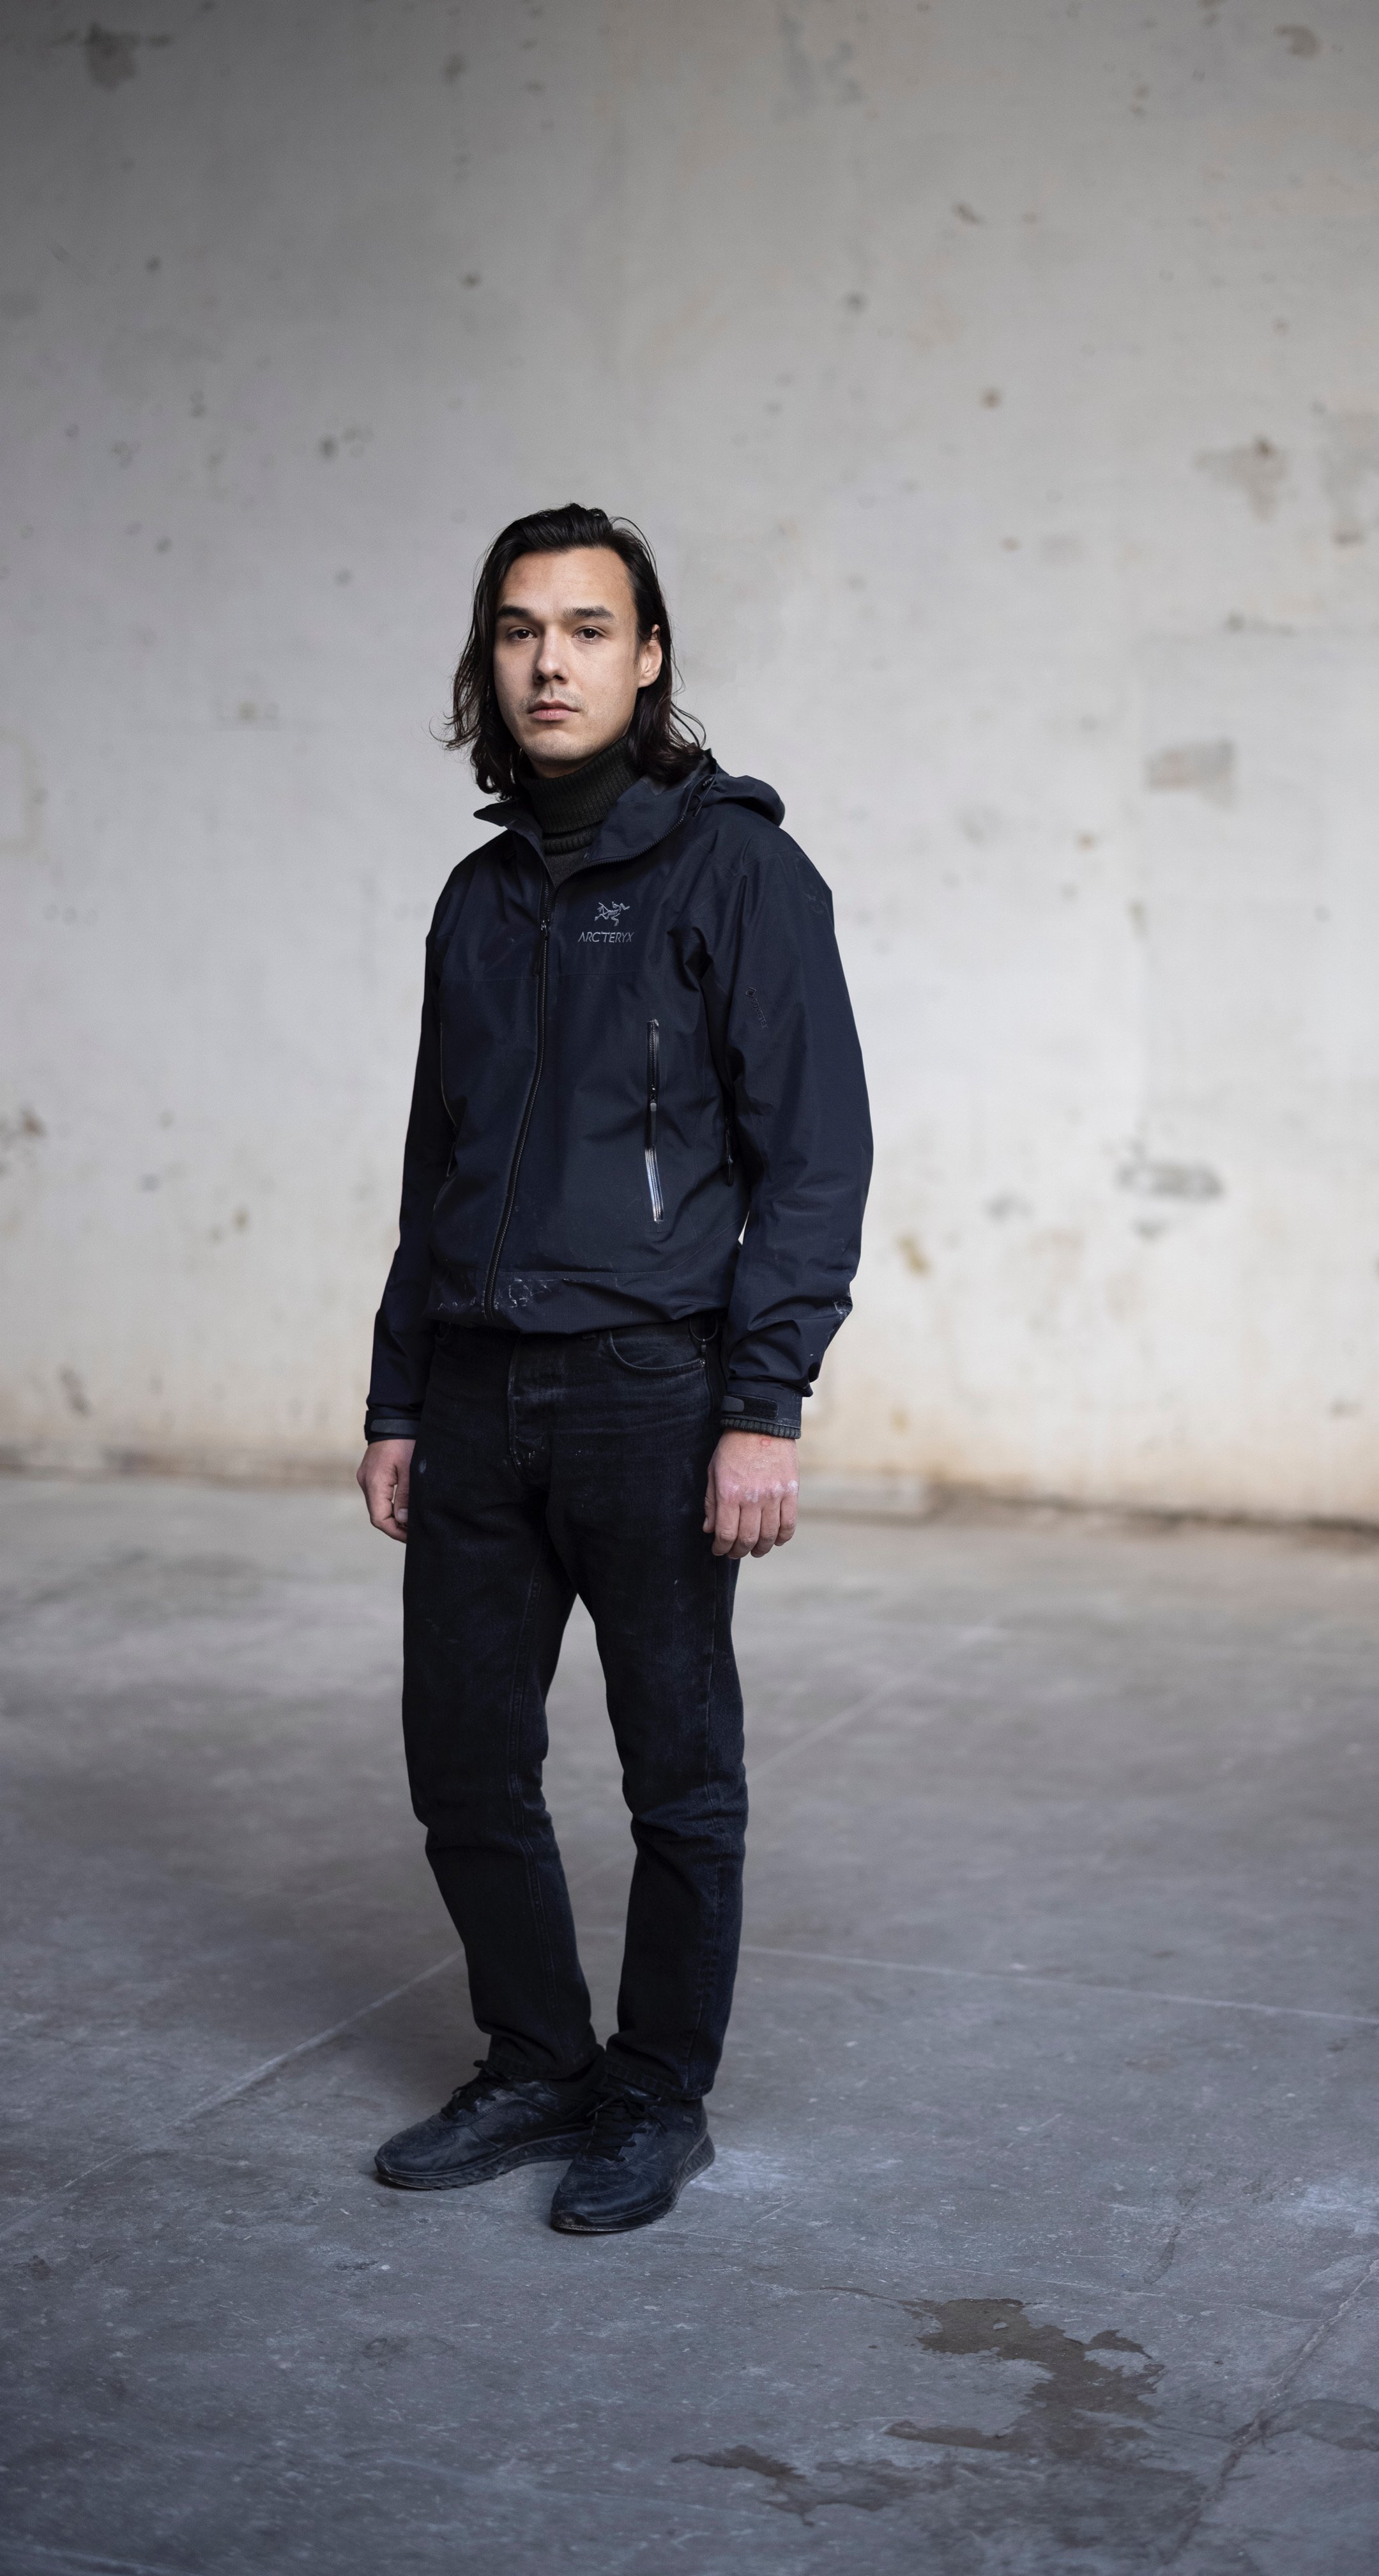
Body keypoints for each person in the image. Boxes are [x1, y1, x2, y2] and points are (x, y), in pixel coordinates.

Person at [355, 504, 871, 2232]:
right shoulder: (477, 900)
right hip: (476, 1391)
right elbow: (433, 1168)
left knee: (677, 1773)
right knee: (462, 1764)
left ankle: (654, 2095)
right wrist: (399, 1395)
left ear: (648, 659)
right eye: (519, 631)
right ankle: (535, 2063)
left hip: (653, 1391)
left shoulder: (739, 873)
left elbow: (815, 1159)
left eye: (587, 629)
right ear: (486, 662)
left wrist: (762, 1405)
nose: (549, 662)